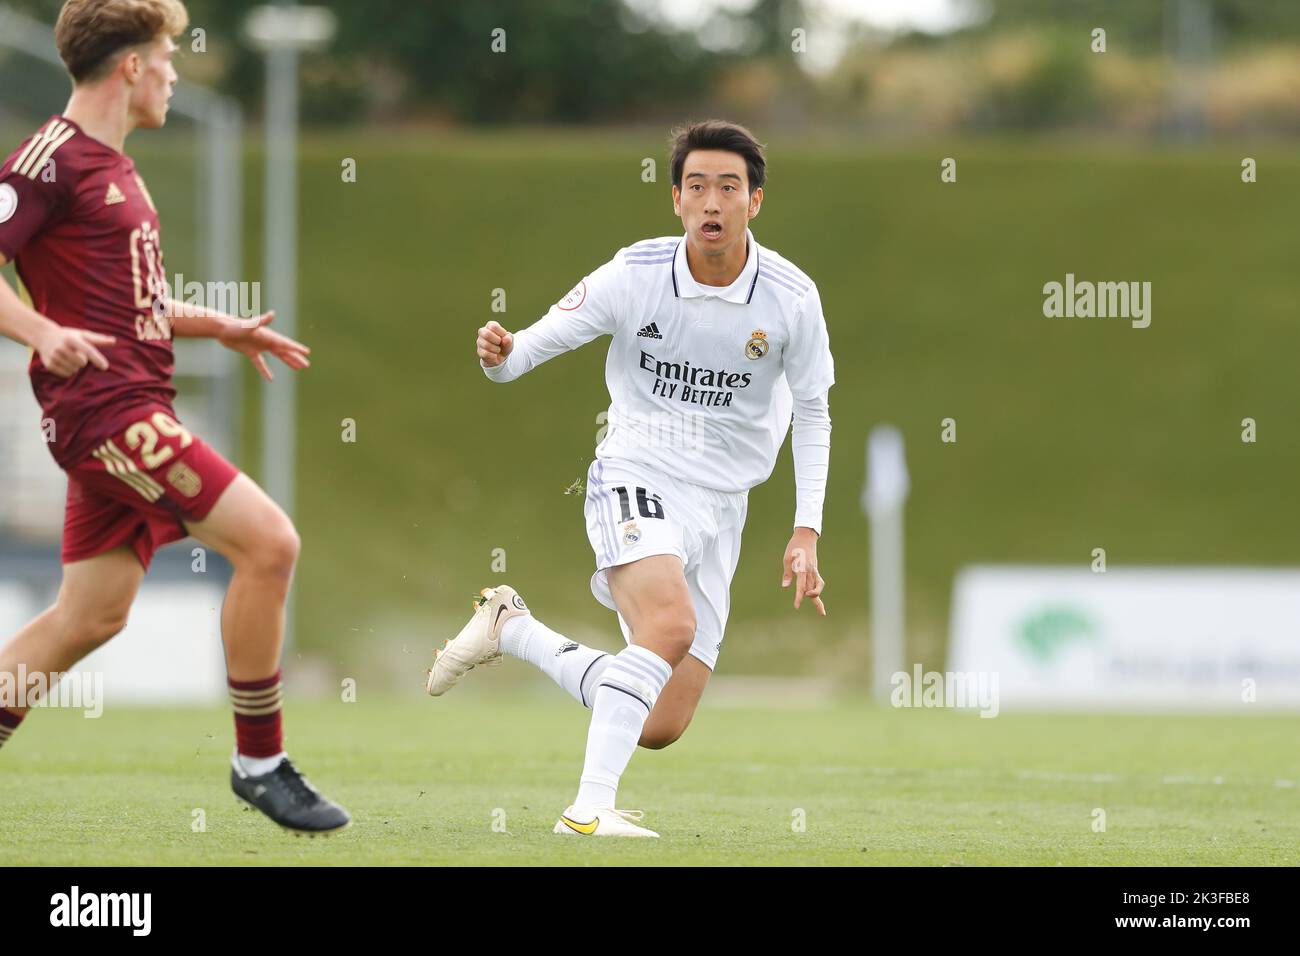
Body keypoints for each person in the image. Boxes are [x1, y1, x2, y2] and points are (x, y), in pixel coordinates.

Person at [427, 119, 834, 837]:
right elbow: (525, 352)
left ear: (756, 202)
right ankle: (587, 810)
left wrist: (806, 527)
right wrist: (500, 352)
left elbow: (813, 410)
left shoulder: (792, 299)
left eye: (729, 188)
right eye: (698, 186)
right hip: (637, 472)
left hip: (725, 502)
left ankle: (510, 628)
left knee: (661, 721)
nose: (712, 202)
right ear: (676, 199)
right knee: (669, 624)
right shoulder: (634, 275)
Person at [0, 0, 348, 834]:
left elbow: (133, 303)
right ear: (130, 66)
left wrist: (213, 324)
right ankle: (259, 761)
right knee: (269, 544)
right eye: (167, 57)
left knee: (90, 616)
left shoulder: (118, 167)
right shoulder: (47, 161)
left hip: (132, 403)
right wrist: (42, 331)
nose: (173, 72)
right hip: (106, 413)